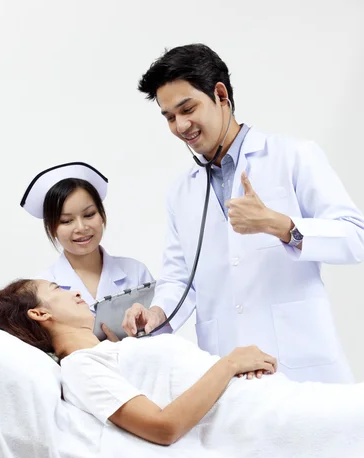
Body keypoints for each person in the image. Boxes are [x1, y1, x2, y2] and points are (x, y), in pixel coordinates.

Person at [122, 43, 364, 384]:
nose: (180, 126)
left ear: (221, 95)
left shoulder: (293, 156)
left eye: (187, 108)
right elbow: (180, 278)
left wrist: (279, 225)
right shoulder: (182, 191)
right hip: (228, 369)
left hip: (300, 364)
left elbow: (355, 236)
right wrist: (157, 313)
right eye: (169, 117)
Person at [0, 278, 362, 447]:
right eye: (58, 290)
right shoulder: (78, 368)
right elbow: (163, 428)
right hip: (251, 419)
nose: (75, 292)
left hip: (266, 401)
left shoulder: (111, 349)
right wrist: (229, 364)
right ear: (38, 314)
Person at [20, 161, 153, 309]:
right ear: (52, 227)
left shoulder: (136, 273)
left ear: (102, 215)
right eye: (66, 221)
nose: (81, 228)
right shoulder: (42, 288)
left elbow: (161, 329)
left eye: (89, 215)